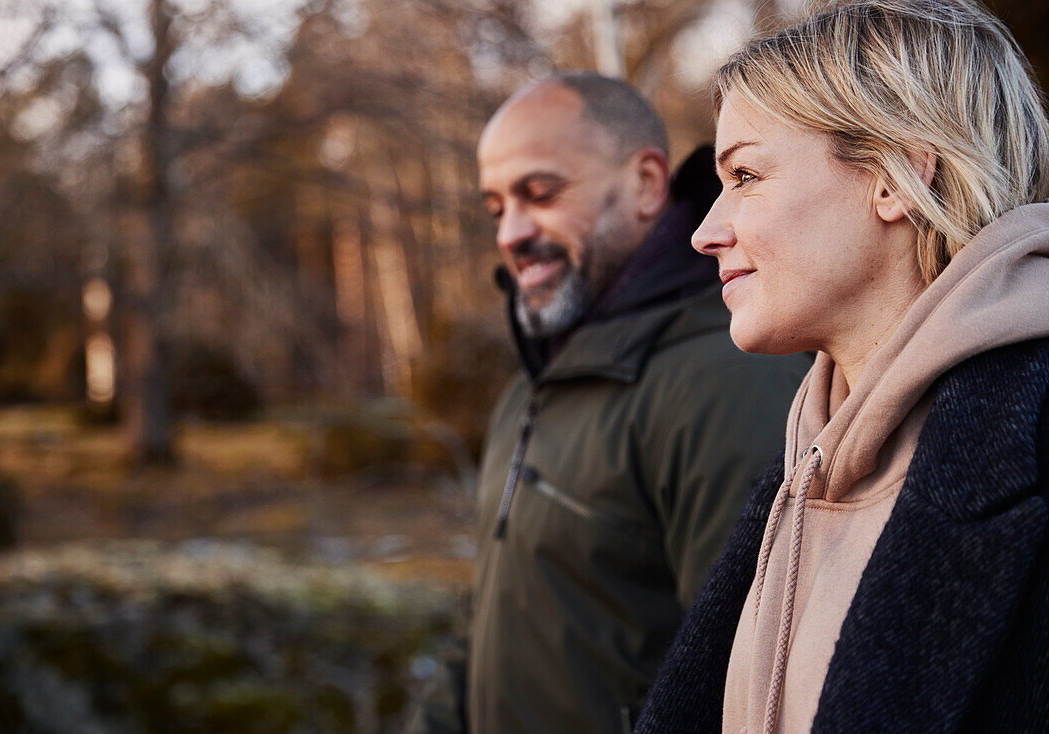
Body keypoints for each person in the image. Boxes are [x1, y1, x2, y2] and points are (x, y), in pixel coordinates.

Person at [635, 1, 1049, 732]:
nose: (704, 232)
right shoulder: (802, 468)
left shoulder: (1030, 454)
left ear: (895, 176)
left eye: (747, 175)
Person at [407, 72, 810, 734]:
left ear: (648, 184)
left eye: (540, 194)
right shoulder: (532, 385)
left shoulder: (727, 377)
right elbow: (496, 622)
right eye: (494, 207)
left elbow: (750, 685)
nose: (510, 232)